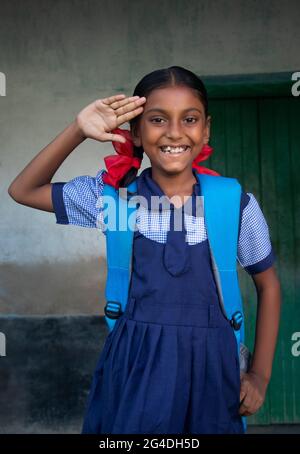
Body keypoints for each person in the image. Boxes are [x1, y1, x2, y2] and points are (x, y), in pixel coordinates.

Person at [8, 66, 281, 434]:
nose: (174, 132)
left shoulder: (234, 203)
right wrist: (78, 130)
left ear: (206, 129)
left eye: (190, 119)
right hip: (135, 365)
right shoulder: (113, 199)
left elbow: (268, 285)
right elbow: (23, 190)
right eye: (157, 119)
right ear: (136, 132)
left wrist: (260, 375)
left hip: (214, 368)